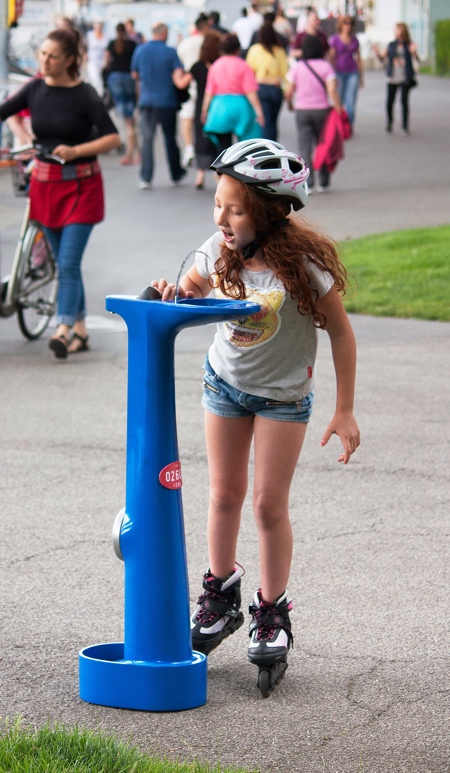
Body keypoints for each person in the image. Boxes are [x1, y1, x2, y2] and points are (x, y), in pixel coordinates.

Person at [150, 138, 360, 673]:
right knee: (223, 494)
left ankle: (271, 611)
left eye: (235, 209)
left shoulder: (303, 265)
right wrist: (174, 296)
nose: (221, 216)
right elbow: (191, 292)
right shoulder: (216, 249)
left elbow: (340, 332)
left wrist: (345, 409)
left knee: (268, 504)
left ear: (266, 213)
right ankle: (220, 596)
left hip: (283, 398)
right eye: (218, 203)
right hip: (224, 384)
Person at [0, 27, 121, 358]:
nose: (44, 60)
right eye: (42, 54)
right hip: (45, 186)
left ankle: (63, 328)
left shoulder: (85, 94)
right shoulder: (35, 87)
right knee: (65, 264)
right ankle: (80, 331)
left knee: (67, 262)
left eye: (52, 56)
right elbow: (5, 111)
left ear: (69, 60)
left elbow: (113, 138)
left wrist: (78, 149)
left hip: (82, 187)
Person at [131, 22, 187, 189]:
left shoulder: (140, 50)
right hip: (167, 101)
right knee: (170, 138)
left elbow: (134, 74)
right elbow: (178, 75)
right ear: (164, 34)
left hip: (147, 101)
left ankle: (145, 177)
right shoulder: (170, 52)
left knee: (147, 140)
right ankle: (175, 174)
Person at [285, 34, 341, 192]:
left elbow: (288, 92)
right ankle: (324, 181)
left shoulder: (297, 67)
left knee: (304, 147)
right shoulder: (326, 66)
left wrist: (290, 104)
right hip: (322, 111)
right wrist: (338, 107)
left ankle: (307, 183)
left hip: (302, 111)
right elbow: (332, 90)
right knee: (323, 144)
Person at [201, 34, 264, 153]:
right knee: (245, 146)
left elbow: (209, 92)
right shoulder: (243, 66)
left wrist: (205, 110)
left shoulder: (215, 66)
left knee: (224, 149)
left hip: (220, 107)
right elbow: (250, 91)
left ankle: (225, 169)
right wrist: (259, 112)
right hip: (241, 106)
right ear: (238, 49)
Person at [373, 23, 419, 136]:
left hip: (405, 77)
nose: (395, 31)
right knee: (390, 102)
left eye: (397, 29)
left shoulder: (409, 44)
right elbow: (382, 57)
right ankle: (389, 122)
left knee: (404, 102)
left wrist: (414, 52)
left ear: (403, 30)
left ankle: (405, 126)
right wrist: (377, 53)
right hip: (392, 76)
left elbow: (417, 59)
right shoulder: (391, 45)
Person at [177, 14, 210, 168]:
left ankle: (189, 149)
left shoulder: (185, 43)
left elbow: (180, 64)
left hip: (189, 83)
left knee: (186, 119)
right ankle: (202, 152)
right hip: (205, 87)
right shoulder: (208, 42)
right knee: (202, 122)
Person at [246, 20, 288, 142]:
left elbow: (249, 72)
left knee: (265, 122)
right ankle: (273, 147)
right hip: (275, 89)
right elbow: (285, 73)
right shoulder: (279, 51)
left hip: (260, 89)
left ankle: (266, 150)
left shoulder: (254, 50)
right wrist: (285, 92)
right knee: (273, 122)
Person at [105, 23, 138, 165]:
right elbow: (135, 65)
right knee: (130, 119)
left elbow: (106, 62)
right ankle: (136, 152)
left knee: (127, 120)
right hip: (128, 78)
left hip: (115, 78)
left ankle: (131, 153)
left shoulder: (112, 44)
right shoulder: (132, 44)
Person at [329, 15, 364, 129]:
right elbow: (332, 58)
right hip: (338, 72)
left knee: (351, 101)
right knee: (339, 100)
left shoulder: (354, 40)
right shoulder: (335, 39)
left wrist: (361, 76)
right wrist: (331, 76)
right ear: (341, 25)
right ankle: (339, 125)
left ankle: (349, 126)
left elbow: (358, 58)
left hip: (352, 72)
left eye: (349, 23)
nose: (347, 26)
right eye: (345, 23)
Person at [86, 21, 108, 95]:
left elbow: (106, 51)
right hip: (92, 61)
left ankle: (100, 94)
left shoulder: (105, 37)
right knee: (95, 78)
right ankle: (98, 94)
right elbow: (85, 47)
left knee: (100, 78)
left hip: (102, 61)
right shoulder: (90, 35)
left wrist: (106, 62)